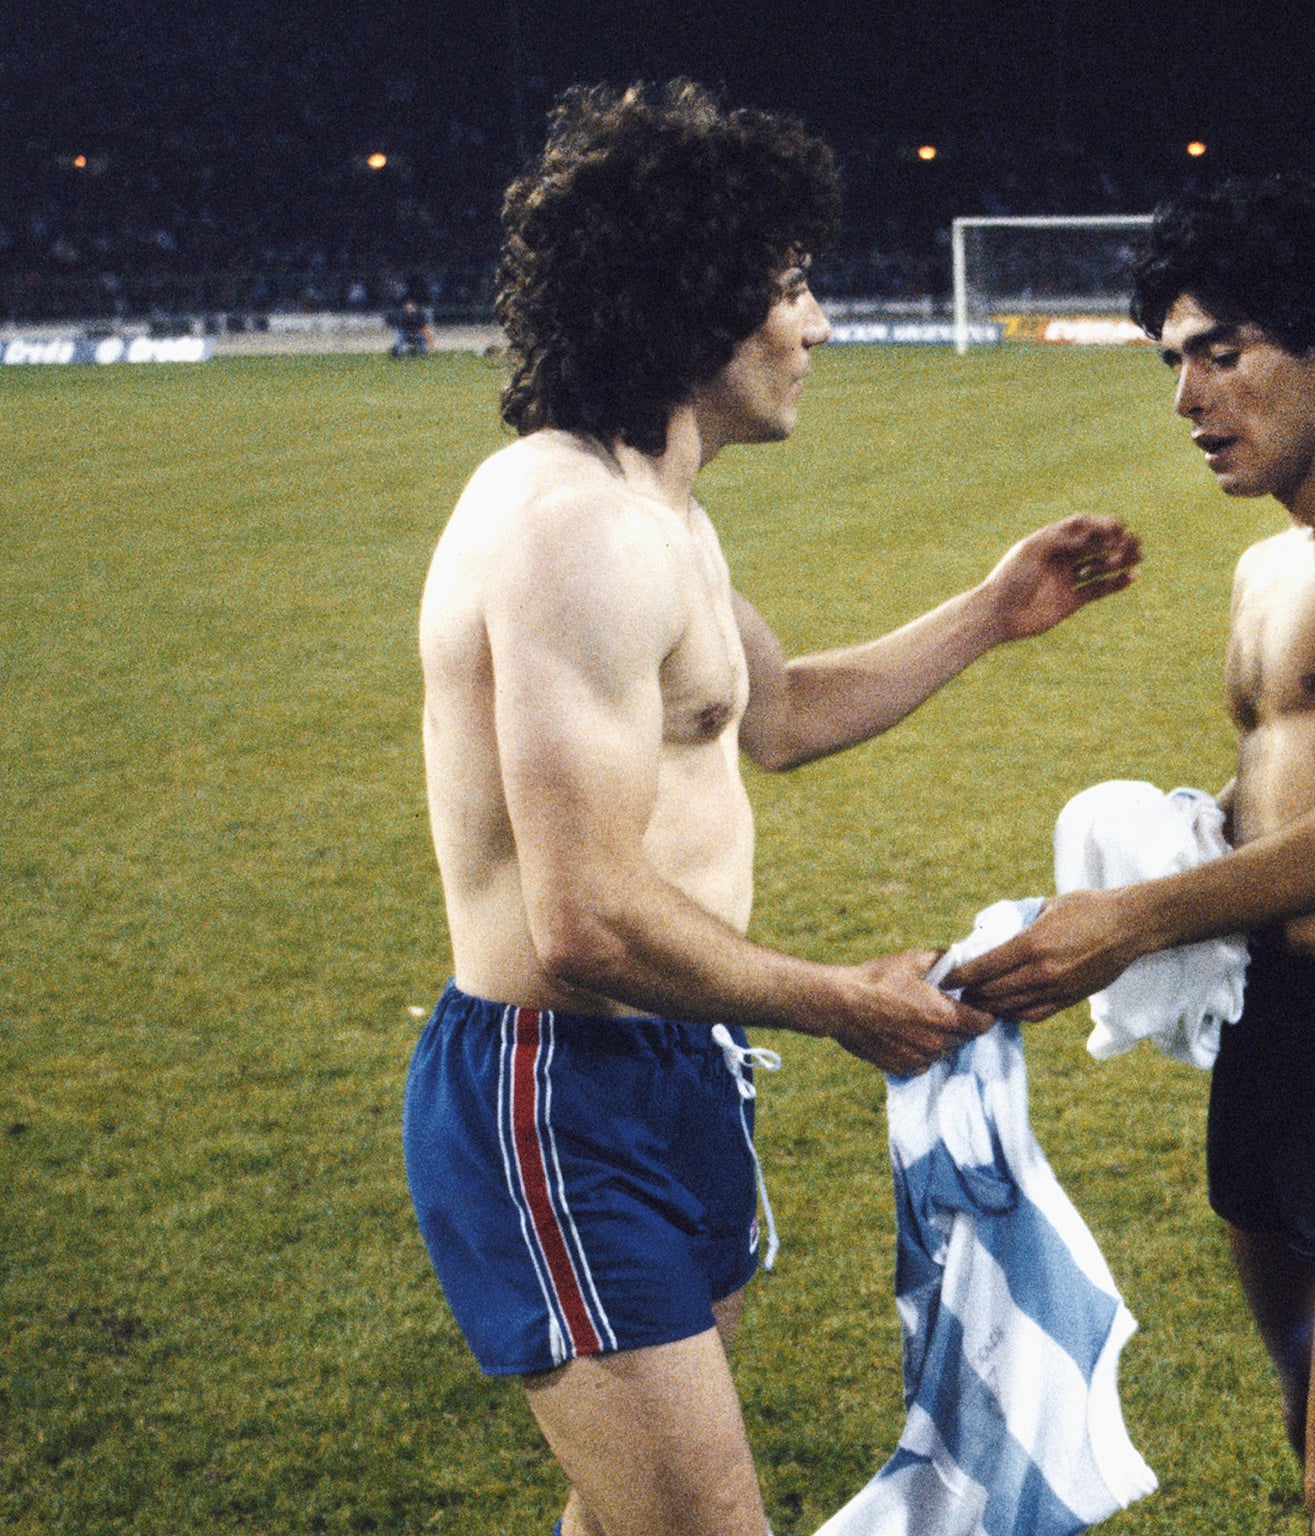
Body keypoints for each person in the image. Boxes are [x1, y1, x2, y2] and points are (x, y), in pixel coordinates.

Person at [404, 80, 1141, 1536]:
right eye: (793, 288)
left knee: (622, 1518)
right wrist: (837, 1002)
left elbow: (779, 712)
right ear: (696, 301)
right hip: (559, 1088)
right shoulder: (574, 531)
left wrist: (994, 612)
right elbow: (582, 919)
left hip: (675, 1072)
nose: (816, 327)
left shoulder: (664, 512)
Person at [952, 175, 1315, 1536]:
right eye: (1173, 359)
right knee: (1307, 1423)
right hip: (1277, 1028)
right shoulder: (1271, 565)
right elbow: (1286, 782)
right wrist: (1159, 843)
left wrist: (1137, 919)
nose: (1188, 397)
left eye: (1222, 351)